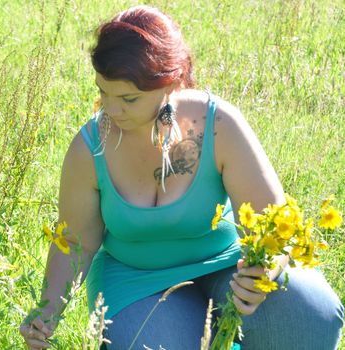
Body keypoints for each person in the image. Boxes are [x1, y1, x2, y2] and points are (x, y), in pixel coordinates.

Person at [20, 5, 344, 350]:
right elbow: (76, 242)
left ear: (171, 84)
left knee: (310, 316)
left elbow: (272, 216)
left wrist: (266, 270)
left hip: (224, 263)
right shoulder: (90, 147)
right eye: (105, 92)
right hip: (136, 279)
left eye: (129, 98)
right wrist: (48, 312)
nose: (111, 111)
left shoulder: (218, 125)